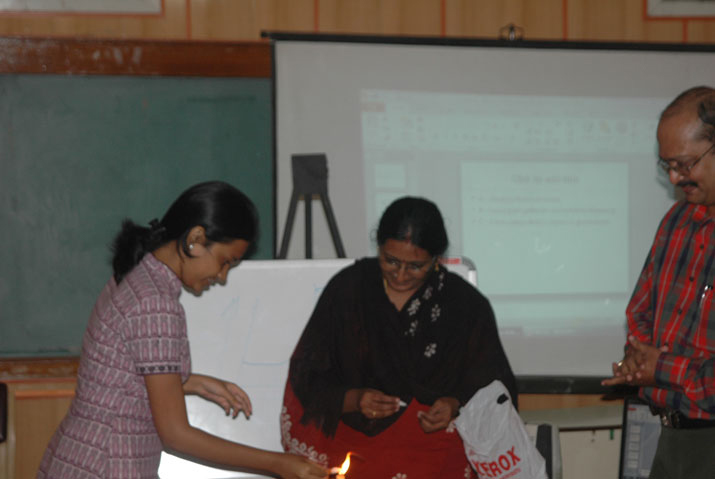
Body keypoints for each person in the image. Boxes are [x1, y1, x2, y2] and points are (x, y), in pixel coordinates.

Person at [38, 181, 327, 479]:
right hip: (109, 465)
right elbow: (176, 436)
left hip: (80, 458)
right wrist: (277, 463)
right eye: (225, 262)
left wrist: (192, 383)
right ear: (195, 239)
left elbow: (118, 378)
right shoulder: (156, 304)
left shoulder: (136, 275)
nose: (222, 276)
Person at [281, 196, 517, 479]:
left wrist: (455, 405)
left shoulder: (463, 304)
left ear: (436, 259)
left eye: (416, 266)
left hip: (435, 455)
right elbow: (308, 374)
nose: (401, 275)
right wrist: (354, 399)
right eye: (390, 261)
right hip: (351, 450)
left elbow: (493, 385)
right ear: (378, 247)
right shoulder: (349, 289)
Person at [602, 86, 715, 478]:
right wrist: (638, 357)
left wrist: (661, 368)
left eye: (684, 164)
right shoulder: (676, 221)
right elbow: (640, 312)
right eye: (666, 165)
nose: (673, 177)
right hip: (671, 438)